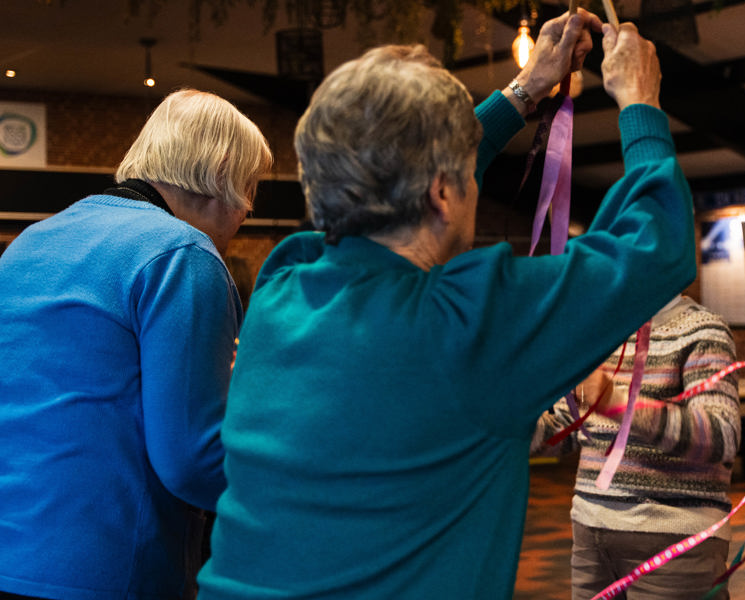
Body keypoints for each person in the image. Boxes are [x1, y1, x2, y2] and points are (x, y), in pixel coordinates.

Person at [197, 11, 697, 600]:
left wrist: (525, 89)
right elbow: (659, 244)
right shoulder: (470, 322)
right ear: (441, 190)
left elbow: (388, 182)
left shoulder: (283, 283)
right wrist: (640, 100)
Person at [0, 89, 272, 600]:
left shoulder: (30, 242)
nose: (246, 213)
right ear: (222, 171)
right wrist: (306, 487)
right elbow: (192, 460)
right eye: (250, 188)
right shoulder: (183, 254)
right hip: (106, 569)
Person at [531, 294, 740, 599]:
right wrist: (503, 425)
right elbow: (565, 429)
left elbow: (721, 436)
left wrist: (616, 403)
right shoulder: (601, 330)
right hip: (591, 532)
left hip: (673, 541)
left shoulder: (704, 329)